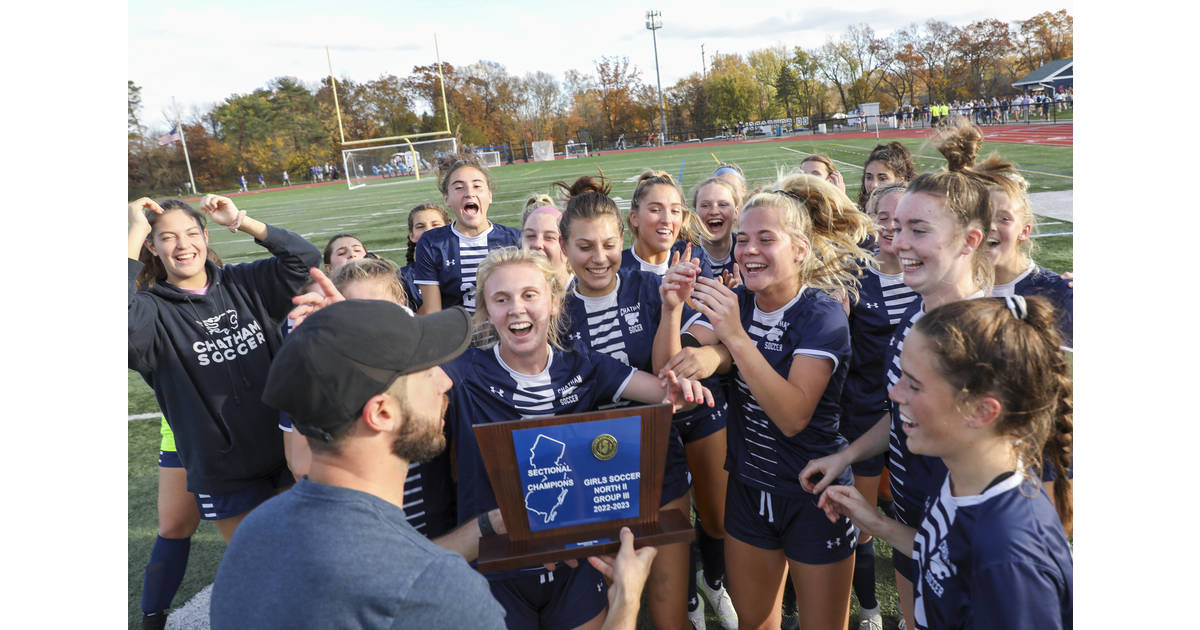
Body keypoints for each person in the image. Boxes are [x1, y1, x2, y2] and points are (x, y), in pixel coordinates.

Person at [210, 299, 662, 630]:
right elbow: (406, 578)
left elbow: (387, 569)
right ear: (382, 412)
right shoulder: (439, 591)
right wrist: (625, 600)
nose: (445, 384)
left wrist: (488, 526)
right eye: (427, 371)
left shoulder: (256, 530)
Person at [438, 246, 713, 630]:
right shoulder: (462, 372)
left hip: (573, 561)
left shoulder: (581, 364)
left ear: (554, 303)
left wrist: (683, 389)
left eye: (529, 295)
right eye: (501, 299)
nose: (516, 308)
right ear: (486, 311)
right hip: (497, 565)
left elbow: (665, 394)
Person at [800, 122, 999, 630]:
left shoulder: (992, 342)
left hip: (972, 558)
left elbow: (1001, 514)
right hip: (914, 531)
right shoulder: (916, 316)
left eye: (919, 230)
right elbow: (901, 414)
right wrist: (846, 455)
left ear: (970, 241)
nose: (899, 241)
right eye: (897, 226)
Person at [656, 171, 874, 630]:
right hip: (749, 492)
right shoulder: (738, 302)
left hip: (814, 495)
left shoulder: (821, 314)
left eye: (765, 239)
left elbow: (793, 416)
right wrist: (672, 309)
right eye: (742, 239)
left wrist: (732, 341)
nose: (748, 250)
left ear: (800, 249)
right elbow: (671, 371)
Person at [817, 297, 1073, 630]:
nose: (894, 394)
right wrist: (875, 522)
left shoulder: (1010, 558)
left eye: (914, 384)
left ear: (981, 411)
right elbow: (947, 557)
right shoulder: (966, 481)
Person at [128, 195, 321, 627]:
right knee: (263, 569)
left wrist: (243, 221)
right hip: (224, 471)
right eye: (167, 238)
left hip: (286, 454)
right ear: (153, 247)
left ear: (205, 236)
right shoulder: (151, 312)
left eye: (191, 233)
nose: (183, 245)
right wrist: (134, 231)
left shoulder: (244, 282)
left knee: (305, 558)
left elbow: (306, 260)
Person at [555, 176, 736, 630]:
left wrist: (678, 319)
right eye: (584, 247)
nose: (599, 258)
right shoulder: (553, 313)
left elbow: (675, 368)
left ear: (622, 237)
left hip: (659, 461)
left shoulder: (651, 287)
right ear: (563, 247)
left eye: (608, 245)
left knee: (670, 609)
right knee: (609, 608)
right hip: (591, 474)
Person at [839, 184, 918, 630]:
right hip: (865, 418)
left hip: (920, 424)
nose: (890, 227)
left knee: (916, 519)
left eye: (900, 217)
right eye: (881, 217)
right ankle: (869, 609)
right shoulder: (852, 274)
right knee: (863, 525)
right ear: (868, 221)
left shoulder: (930, 272)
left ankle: (915, 612)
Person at [413, 153, 521, 315]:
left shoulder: (514, 239)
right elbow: (434, 313)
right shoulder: (432, 243)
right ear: (446, 199)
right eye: (459, 187)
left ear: (490, 195)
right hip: (455, 330)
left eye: (477, 186)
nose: (469, 193)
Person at [138, 417, 200, 630]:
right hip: (183, 429)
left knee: (258, 532)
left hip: (247, 427)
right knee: (173, 527)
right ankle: (152, 621)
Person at [622, 170, 714, 278]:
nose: (667, 220)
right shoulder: (617, 269)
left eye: (675, 211)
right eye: (655, 210)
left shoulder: (694, 259)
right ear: (634, 217)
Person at [692, 176, 743, 288]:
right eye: (705, 205)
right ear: (695, 214)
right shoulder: (681, 254)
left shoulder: (748, 252)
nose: (714, 211)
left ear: (736, 212)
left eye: (723, 204)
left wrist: (742, 293)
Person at [401, 203, 451, 310]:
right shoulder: (403, 277)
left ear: (449, 230)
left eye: (435, 225)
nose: (428, 231)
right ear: (412, 236)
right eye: (420, 226)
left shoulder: (465, 261)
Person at [521, 202, 570, 290]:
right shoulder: (514, 291)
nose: (537, 244)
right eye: (530, 235)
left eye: (549, 237)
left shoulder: (586, 293)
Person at [858, 142, 917, 211]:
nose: (874, 185)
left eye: (882, 178)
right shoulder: (863, 211)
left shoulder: (910, 213)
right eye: (869, 178)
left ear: (900, 181)